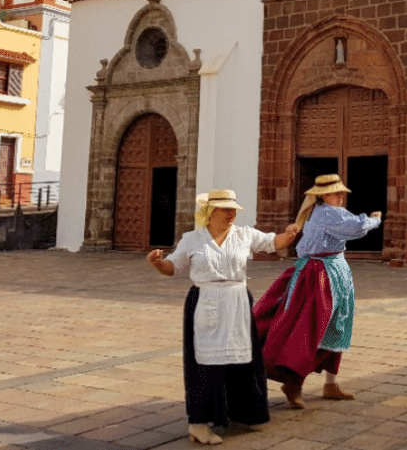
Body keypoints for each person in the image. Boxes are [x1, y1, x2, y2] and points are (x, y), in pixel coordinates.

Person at [147, 189, 298, 445]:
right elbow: (173, 267)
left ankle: (247, 413)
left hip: (237, 301)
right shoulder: (192, 239)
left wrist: (291, 234)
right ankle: (198, 423)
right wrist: (157, 263)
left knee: (244, 359)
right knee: (205, 364)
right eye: (225, 210)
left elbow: (274, 243)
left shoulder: (243, 234)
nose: (231, 214)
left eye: (233, 210)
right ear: (210, 212)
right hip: (206, 301)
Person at [254, 174, 381, 408]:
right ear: (323, 195)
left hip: (332, 270)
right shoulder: (328, 213)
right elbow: (358, 227)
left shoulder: (319, 212)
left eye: (342, 192)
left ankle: (330, 383)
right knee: (314, 326)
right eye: (335, 192)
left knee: (336, 325)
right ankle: (294, 380)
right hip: (321, 275)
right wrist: (374, 219)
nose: (341, 197)